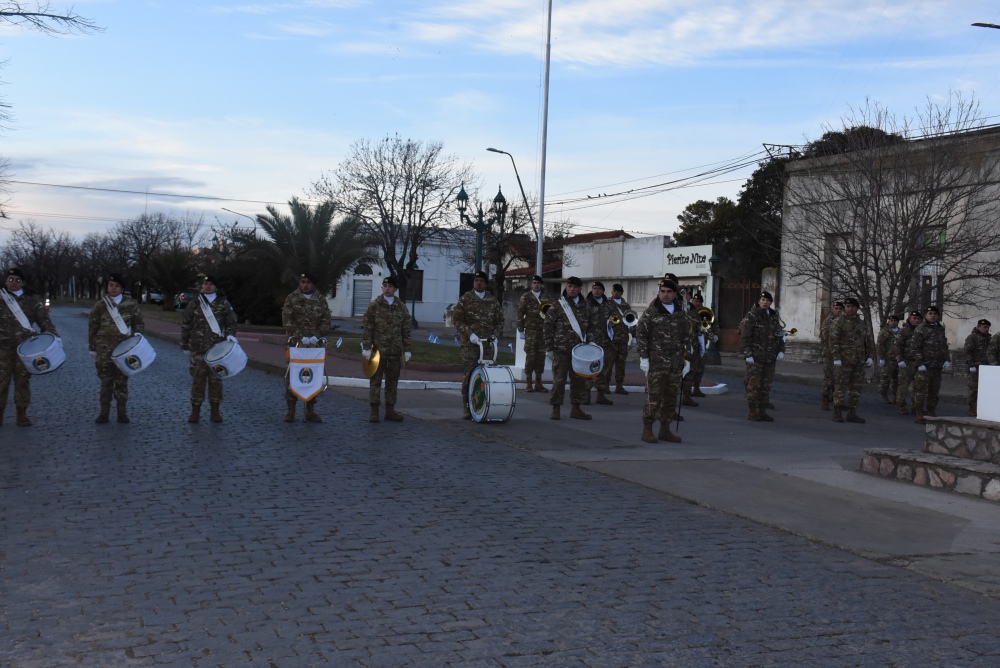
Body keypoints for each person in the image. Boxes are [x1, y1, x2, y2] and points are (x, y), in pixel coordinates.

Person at [0, 267, 59, 427]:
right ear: (6, 282)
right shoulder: (1, 297)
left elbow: (44, 321)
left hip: (25, 349)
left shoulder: (32, 300)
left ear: (23, 283)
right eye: (10, 280)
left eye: (17, 280)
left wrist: (53, 338)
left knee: (22, 382)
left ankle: (21, 414)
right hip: (2, 348)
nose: (13, 283)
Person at [636, 278, 690, 443]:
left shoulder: (680, 313)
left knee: (670, 397)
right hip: (656, 362)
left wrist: (687, 359)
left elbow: (686, 336)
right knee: (654, 397)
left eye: (669, 292)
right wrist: (644, 358)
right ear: (659, 293)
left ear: (674, 294)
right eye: (662, 291)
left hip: (674, 363)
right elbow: (641, 335)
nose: (665, 295)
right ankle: (647, 429)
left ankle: (665, 429)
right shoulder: (651, 312)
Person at [180, 275, 238, 424]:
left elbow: (232, 321)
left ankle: (215, 411)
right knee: (197, 381)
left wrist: (230, 335)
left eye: (211, 284)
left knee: (216, 381)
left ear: (216, 287)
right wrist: (185, 343)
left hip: (217, 350)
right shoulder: (194, 304)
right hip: (198, 349)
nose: (207, 286)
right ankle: (195, 411)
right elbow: (186, 324)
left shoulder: (224, 304)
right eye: (205, 283)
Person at [88, 272, 143, 424]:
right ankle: (104, 412)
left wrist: (136, 342)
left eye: (116, 286)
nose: (113, 288)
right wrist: (92, 347)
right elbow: (93, 327)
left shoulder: (130, 304)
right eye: (111, 285)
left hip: (123, 349)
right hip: (104, 349)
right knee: (105, 381)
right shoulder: (100, 305)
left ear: (122, 288)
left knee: (121, 381)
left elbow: (138, 324)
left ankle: (122, 412)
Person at [452, 271, 504, 420]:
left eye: (481, 280)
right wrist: (470, 334)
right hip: (471, 344)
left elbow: (500, 320)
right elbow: (457, 319)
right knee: (469, 375)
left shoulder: (492, 301)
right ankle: (467, 407)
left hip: (487, 345)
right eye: (476, 280)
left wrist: (495, 335)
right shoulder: (466, 299)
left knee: (486, 376)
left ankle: (483, 406)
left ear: (486, 284)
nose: (478, 283)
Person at [282, 272, 331, 423]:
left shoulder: (320, 300)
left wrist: (316, 335)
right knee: (292, 375)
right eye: (302, 282)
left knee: (313, 376)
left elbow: (326, 320)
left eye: (308, 282)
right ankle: (291, 410)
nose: (305, 285)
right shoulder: (292, 298)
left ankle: (310, 410)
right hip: (295, 344)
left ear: (313, 284)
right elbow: (287, 320)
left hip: (315, 346)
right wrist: (299, 336)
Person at [543, 276, 594, 420]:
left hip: (579, 351)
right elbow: (548, 326)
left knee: (579, 380)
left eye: (574, 287)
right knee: (559, 380)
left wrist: (591, 343)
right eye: (569, 286)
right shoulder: (558, 305)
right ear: (566, 287)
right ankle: (556, 408)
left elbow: (590, 327)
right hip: (561, 349)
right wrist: (549, 347)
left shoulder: (586, 306)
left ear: (580, 289)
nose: (571, 289)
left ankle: (576, 408)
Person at [362, 276, 412, 423]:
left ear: (395, 289)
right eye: (384, 285)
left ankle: (390, 410)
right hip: (378, 351)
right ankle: (374, 410)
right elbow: (368, 327)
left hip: (395, 352)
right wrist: (366, 347)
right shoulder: (375, 305)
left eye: (390, 286)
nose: (386, 288)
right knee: (375, 381)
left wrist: (407, 349)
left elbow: (406, 329)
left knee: (392, 382)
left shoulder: (401, 307)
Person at [737, 290, 785, 421]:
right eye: (763, 300)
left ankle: (762, 411)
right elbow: (744, 336)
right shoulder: (751, 316)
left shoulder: (773, 316)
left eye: (768, 301)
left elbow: (779, 334)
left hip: (769, 357)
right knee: (754, 384)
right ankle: (752, 411)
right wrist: (748, 354)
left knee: (766, 385)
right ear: (759, 301)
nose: (765, 303)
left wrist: (781, 350)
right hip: (755, 357)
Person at [829, 297, 873, 423]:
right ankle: (837, 412)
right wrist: (836, 358)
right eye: (848, 306)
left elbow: (867, 341)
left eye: (853, 307)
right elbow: (833, 341)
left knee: (856, 389)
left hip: (858, 361)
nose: (850, 309)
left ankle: (851, 413)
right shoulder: (839, 321)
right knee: (840, 387)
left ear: (857, 308)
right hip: (844, 361)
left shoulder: (860, 323)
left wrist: (869, 356)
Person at [908, 305, 951, 425]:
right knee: (920, 391)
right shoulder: (920, 329)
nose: (933, 316)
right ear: (926, 316)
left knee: (934, 391)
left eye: (935, 314)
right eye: (930, 314)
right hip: (924, 367)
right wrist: (920, 363)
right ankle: (919, 414)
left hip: (937, 366)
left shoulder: (939, 329)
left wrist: (947, 359)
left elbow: (944, 345)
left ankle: (931, 412)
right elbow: (914, 348)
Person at [515, 275, 552, 393]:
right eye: (534, 283)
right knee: (530, 356)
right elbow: (520, 313)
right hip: (531, 330)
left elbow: (551, 312)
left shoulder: (547, 296)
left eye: (538, 283)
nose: (536, 285)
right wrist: (521, 329)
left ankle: (539, 382)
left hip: (543, 331)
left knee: (541, 356)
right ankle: (529, 382)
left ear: (542, 284)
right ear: (531, 284)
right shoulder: (526, 296)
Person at [586, 281, 617, 406]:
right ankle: (586, 395)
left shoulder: (608, 305)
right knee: (588, 368)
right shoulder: (586, 304)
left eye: (599, 288)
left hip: (605, 341)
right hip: (591, 340)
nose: (596, 290)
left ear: (603, 291)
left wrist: (612, 323)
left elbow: (615, 318)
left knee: (603, 368)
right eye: (594, 288)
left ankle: (600, 395)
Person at [893, 311, 924, 415]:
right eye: (914, 318)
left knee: (918, 386)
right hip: (906, 362)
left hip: (919, 363)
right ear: (910, 319)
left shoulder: (923, 331)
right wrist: (900, 359)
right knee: (903, 385)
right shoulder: (904, 331)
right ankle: (901, 405)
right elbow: (897, 346)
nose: (916, 320)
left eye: (918, 319)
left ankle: (916, 406)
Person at [686, 293, 717, 398]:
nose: (697, 303)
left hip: (702, 343)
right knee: (691, 369)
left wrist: (715, 335)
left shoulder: (705, 312)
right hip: (691, 344)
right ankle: (687, 391)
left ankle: (697, 388)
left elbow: (712, 324)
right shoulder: (688, 312)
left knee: (700, 368)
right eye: (695, 301)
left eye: (699, 302)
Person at [607, 283, 633, 395]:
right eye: (614, 291)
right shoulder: (607, 304)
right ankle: (605, 385)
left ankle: (619, 385)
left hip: (623, 339)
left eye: (618, 291)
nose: (615, 293)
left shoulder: (626, 306)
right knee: (608, 364)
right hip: (611, 339)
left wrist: (634, 336)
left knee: (621, 364)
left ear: (621, 293)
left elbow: (631, 321)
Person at [963, 318, 991, 417]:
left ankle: (982, 408)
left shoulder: (989, 338)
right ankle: (972, 408)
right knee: (973, 389)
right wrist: (971, 365)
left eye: (988, 327)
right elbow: (967, 351)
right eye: (984, 327)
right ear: (978, 327)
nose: (986, 329)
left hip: (986, 368)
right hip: (975, 368)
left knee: (984, 390)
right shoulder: (972, 337)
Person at [819, 300, 844, 411]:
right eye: (836, 308)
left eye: (840, 309)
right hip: (829, 354)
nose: (838, 310)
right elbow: (825, 338)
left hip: (842, 354)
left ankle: (837, 400)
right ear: (833, 309)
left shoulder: (844, 321)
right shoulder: (828, 322)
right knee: (829, 378)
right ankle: (825, 399)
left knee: (839, 379)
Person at [875, 314, 902, 404]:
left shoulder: (901, 332)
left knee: (897, 379)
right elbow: (880, 345)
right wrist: (881, 357)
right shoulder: (885, 332)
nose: (893, 322)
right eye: (892, 321)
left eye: (895, 321)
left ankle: (895, 396)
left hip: (899, 359)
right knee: (885, 379)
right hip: (888, 359)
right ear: (888, 322)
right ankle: (884, 395)